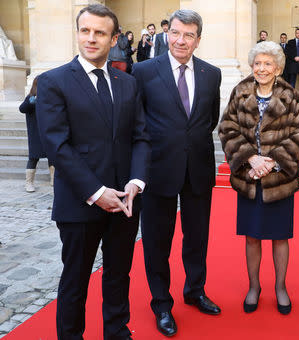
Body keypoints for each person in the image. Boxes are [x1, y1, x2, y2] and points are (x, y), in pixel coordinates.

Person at [36, 4, 151, 339]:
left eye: (100, 32)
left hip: (125, 201)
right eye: (85, 31)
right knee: (75, 279)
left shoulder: (128, 83)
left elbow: (141, 136)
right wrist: (97, 193)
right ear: (77, 33)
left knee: (119, 275)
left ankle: (117, 332)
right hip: (79, 203)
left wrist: (136, 181)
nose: (91, 38)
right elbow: (57, 145)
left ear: (113, 38)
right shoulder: (53, 81)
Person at [132, 9, 222, 337]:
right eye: (176, 33)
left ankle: (195, 290)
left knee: (197, 237)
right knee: (157, 240)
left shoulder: (212, 74)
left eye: (189, 35)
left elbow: (208, 120)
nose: (181, 41)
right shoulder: (142, 71)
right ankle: (161, 302)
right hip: (158, 170)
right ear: (167, 33)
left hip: (198, 168)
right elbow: (137, 122)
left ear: (198, 39)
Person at [218, 41, 299, 315]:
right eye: (257, 63)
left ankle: (280, 287)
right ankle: (254, 286)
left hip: (279, 181)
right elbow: (227, 127)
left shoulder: (290, 95)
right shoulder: (241, 92)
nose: (261, 68)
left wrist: (272, 161)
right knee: (252, 237)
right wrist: (251, 158)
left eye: (267, 63)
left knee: (280, 237)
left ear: (278, 67)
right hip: (249, 178)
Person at [19, 76, 54, 192]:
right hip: (35, 134)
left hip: (48, 132)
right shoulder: (30, 97)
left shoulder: (50, 97)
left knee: (52, 157)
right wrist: (31, 102)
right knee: (33, 158)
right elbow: (22, 109)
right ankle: (29, 183)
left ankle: (54, 180)